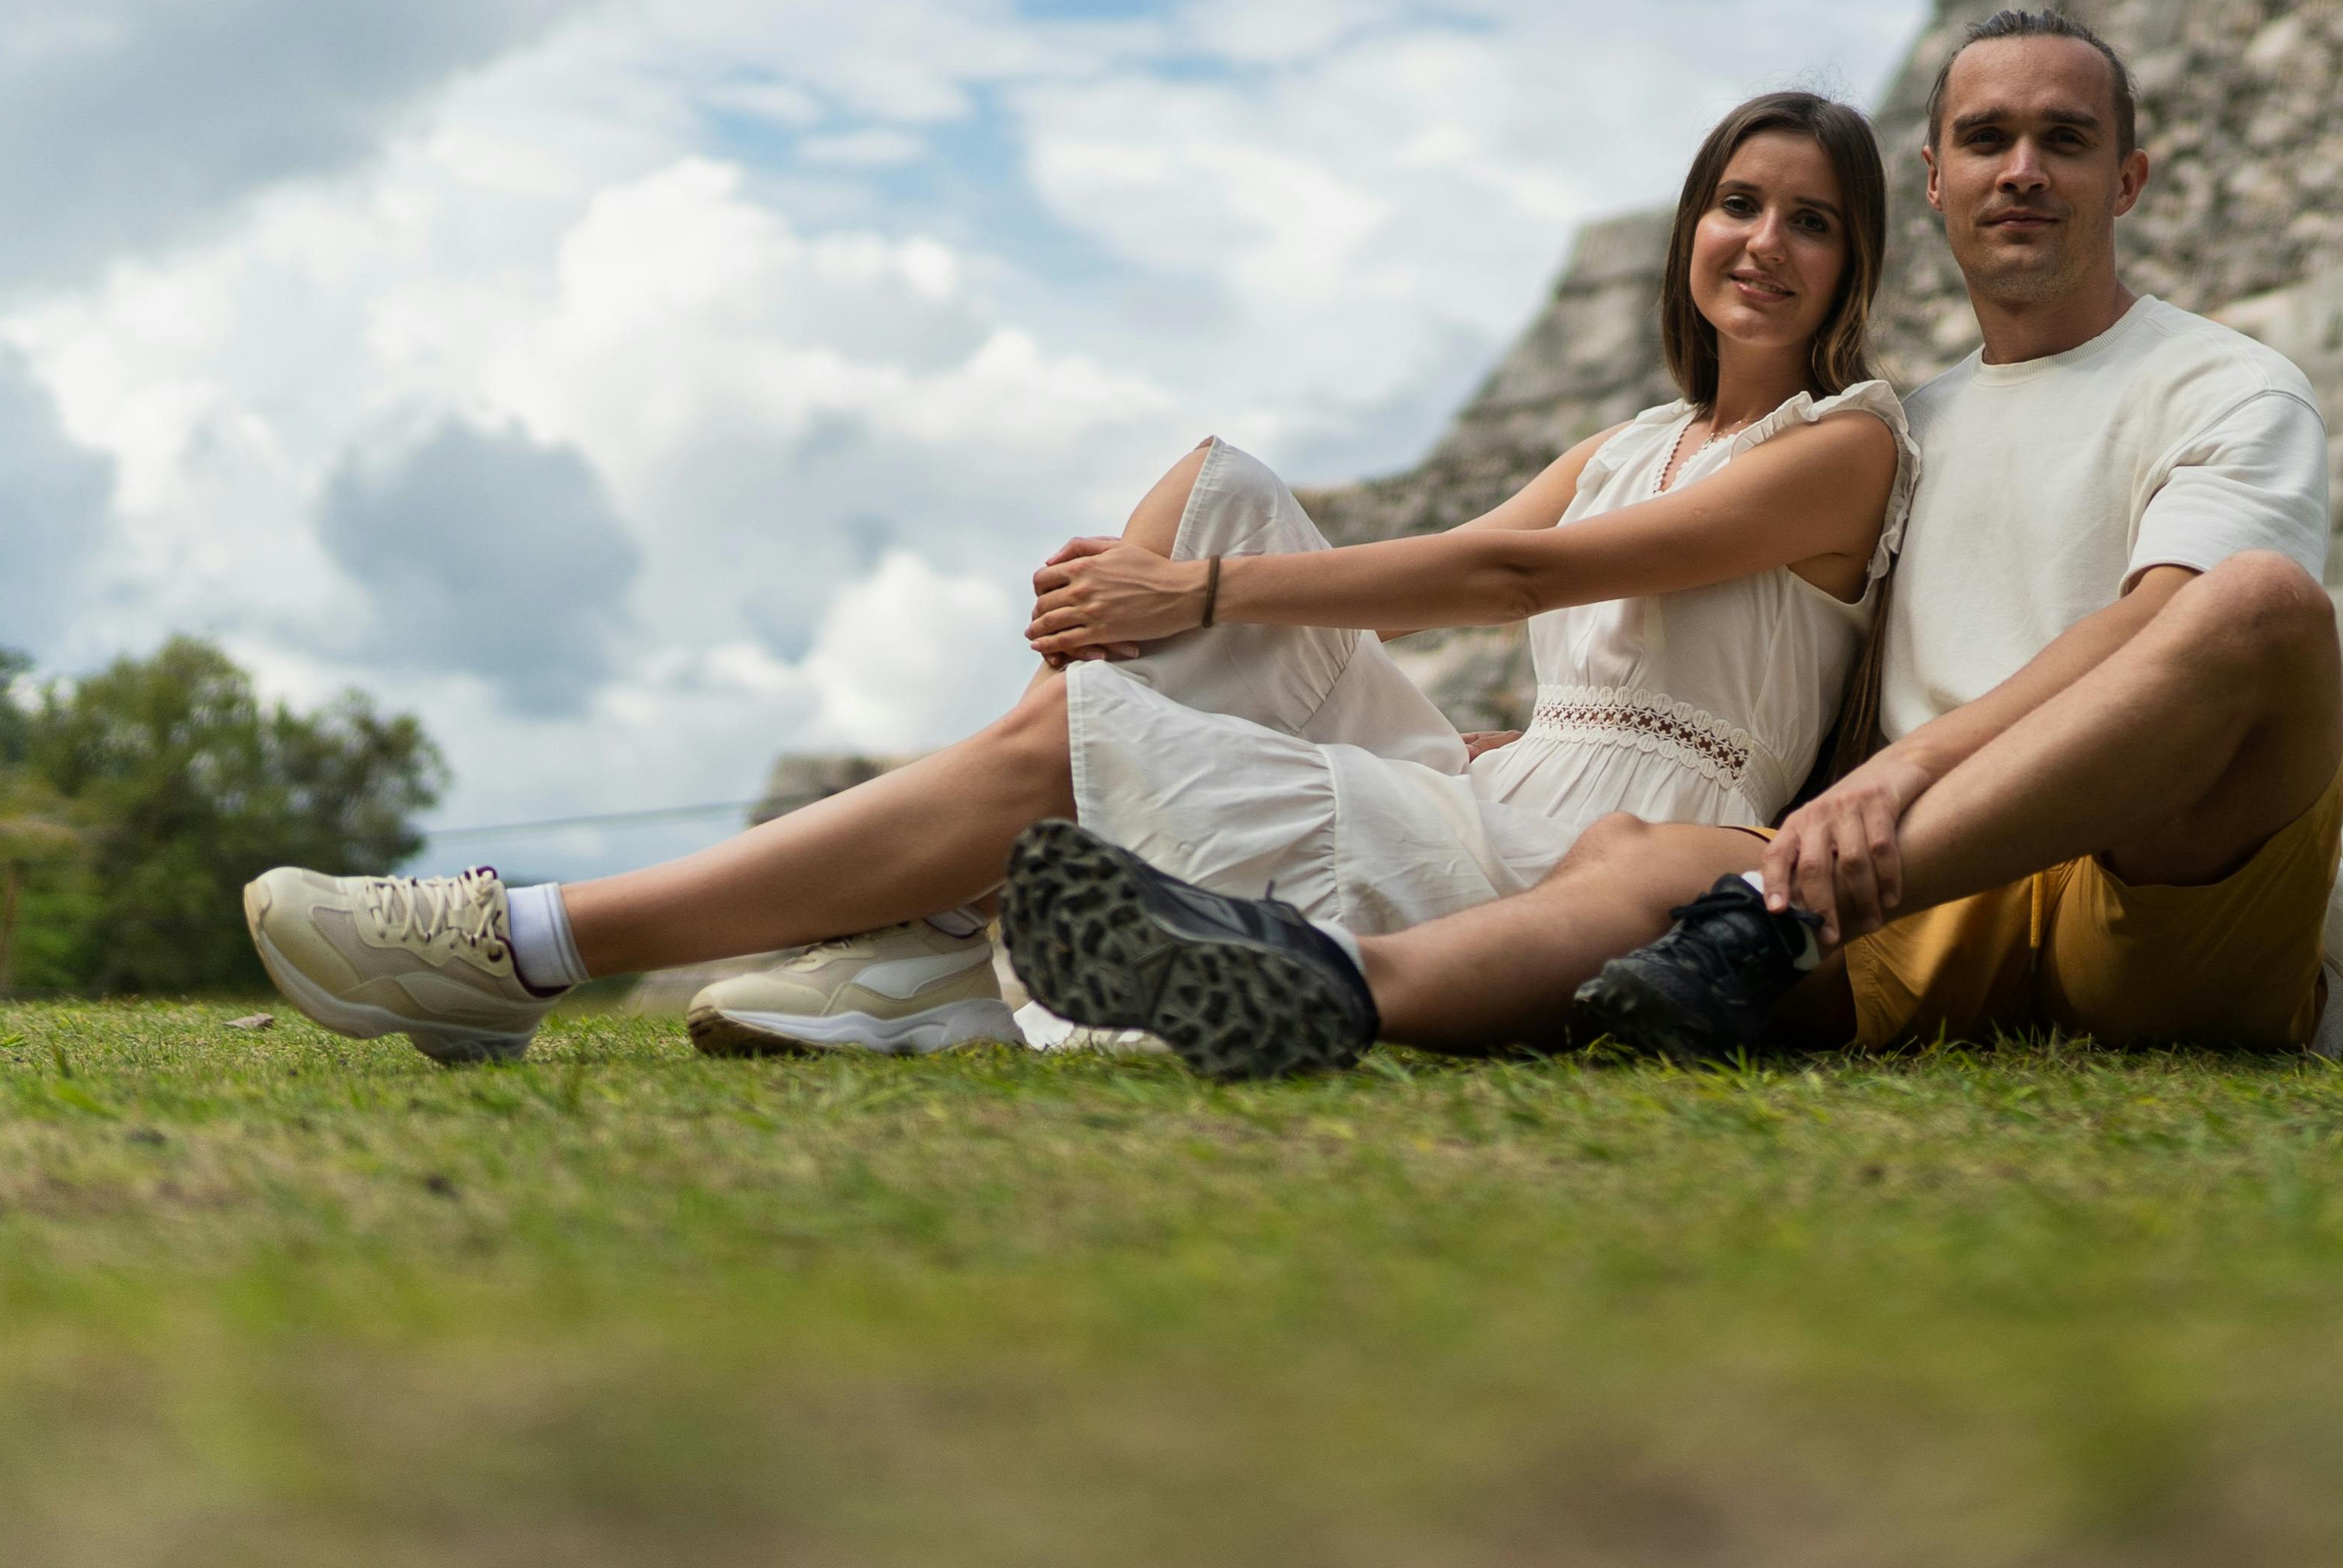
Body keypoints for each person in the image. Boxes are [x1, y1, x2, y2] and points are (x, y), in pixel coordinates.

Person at [239, 91, 1915, 1063]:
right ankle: (943, 924)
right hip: (1498, 789)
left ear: (1853, 265)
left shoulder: (1846, 446)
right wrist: (1189, 583)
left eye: (1810, 221)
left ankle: (520, 943)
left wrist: (1193, 615)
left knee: (1117, 679)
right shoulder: (1638, 432)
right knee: (1220, 485)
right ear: (1692, 230)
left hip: (1575, 856)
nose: (1761, 242)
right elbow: (1437, 597)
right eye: (1737, 205)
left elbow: (1504, 571)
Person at [995, 6, 2343, 1080]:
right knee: (1642, 854)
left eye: (2065, 140)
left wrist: (1897, 787)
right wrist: (1551, 750)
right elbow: (1804, 682)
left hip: (2142, 892)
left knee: (2262, 604)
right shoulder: (1892, 437)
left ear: (2127, 178)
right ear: (1937, 185)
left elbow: (2166, 626)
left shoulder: (2221, 385)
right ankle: (1331, 984)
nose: (2024, 170)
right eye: (1989, 140)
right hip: (1897, 911)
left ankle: (1764, 919)